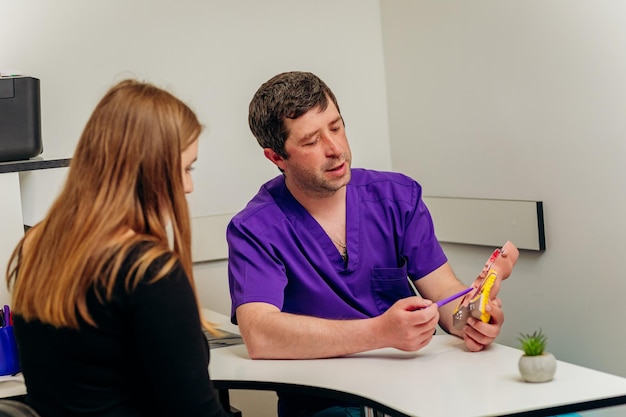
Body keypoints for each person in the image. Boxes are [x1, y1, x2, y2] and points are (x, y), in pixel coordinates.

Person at [227, 71, 513, 417]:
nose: (335, 149)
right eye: (311, 141)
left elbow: (444, 294)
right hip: (324, 405)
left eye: (336, 127)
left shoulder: (397, 198)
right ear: (276, 157)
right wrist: (380, 332)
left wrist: (469, 318)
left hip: (417, 390)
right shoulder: (256, 228)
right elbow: (260, 334)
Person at [6, 80, 229, 417]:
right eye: (183, 168)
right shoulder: (149, 272)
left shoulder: (36, 248)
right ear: (148, 168)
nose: (188, 185)